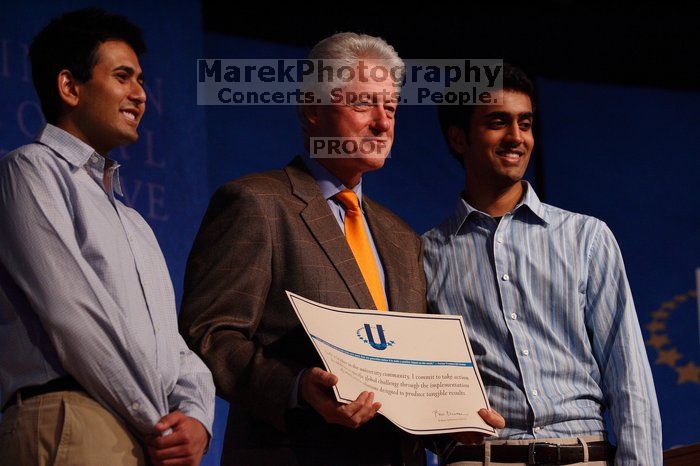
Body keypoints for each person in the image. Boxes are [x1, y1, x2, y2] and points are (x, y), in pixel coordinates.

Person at [179, 32, 502, 466]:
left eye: (390, 108)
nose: (383, 123)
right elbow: (209, 336)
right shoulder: (256, 203)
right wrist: (295, 387)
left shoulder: (401, 237)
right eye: (364, 104)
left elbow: (408, 373)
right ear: (313, 110)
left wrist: (451, 424)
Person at [0, 8, 215, 466]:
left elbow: (171, 345)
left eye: (140, 80)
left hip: (143, 436)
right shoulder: (30, 169)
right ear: (69, 87)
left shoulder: (135, 223)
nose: (140, 95)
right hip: (71, 417)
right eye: (123, 77)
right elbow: (71, 311)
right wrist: (157, 420)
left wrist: (196, 418)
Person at [423, 63, 662, 465]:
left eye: (525, 123)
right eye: (498, 122)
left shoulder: (587, 237)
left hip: (582, 453)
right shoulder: (426, 253)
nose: (516, 137)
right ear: (459, 137)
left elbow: (629, 380)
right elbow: (419, 388)